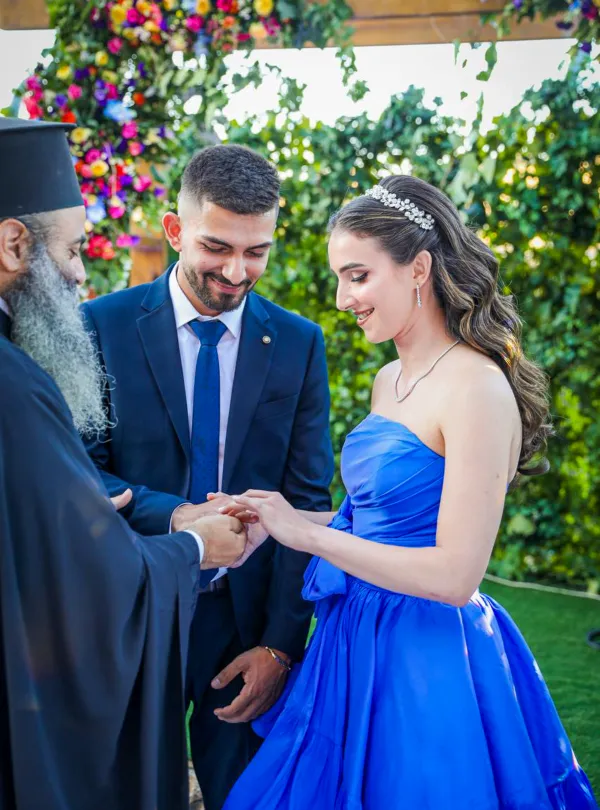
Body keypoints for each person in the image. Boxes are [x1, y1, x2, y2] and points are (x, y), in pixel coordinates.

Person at [219, 176, 599, 809]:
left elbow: (456, 574)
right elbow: (372, 523)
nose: (342, 298)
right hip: (351, 634)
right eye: (340, 278)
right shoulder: (388, 379)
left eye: (358, 276)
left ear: (419, 267)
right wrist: (274, 519)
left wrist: (308, 536)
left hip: (425, 652)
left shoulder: (476, 387)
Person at [0, 116, 250, 810]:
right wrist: (194, 545)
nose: (82, 271)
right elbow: (90, 582)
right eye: (74, 248)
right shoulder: (14, 383)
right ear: (14, 244)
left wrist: (73, 507)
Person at [80, 144, 334, 809]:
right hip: (132, 610)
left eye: (257, 251)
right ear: (174, 230)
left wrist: (281, 647)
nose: (237, 270)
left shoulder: (302, 344)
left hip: (242, 624)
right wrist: (175, 517)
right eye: (217, 247)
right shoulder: (97, 326)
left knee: (244, 796)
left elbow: (307, 500)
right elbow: (79, 474)